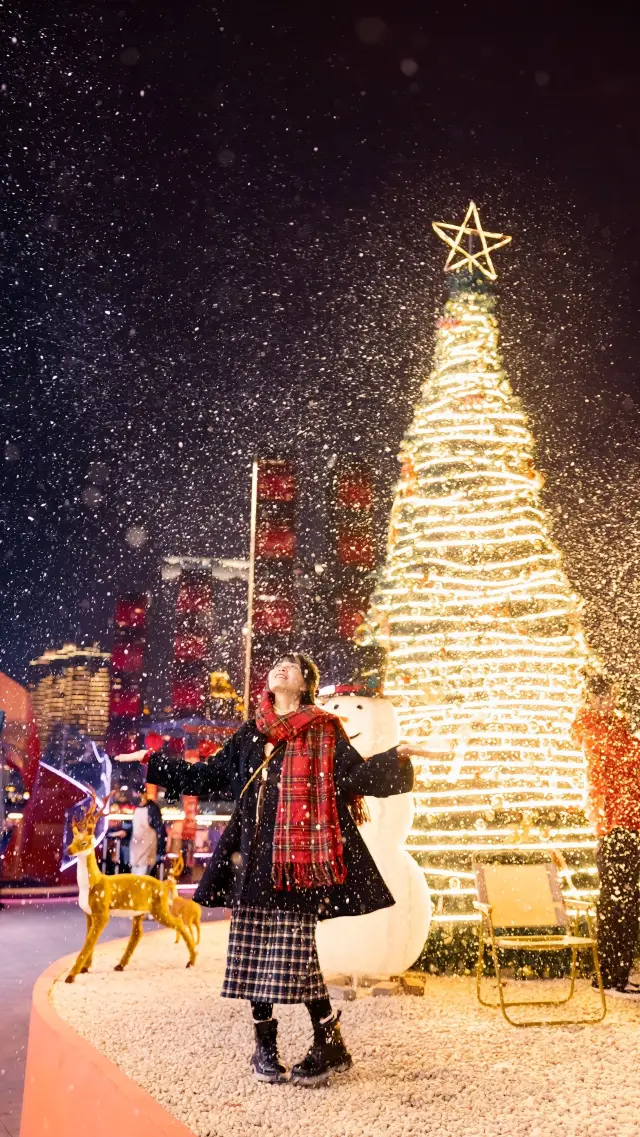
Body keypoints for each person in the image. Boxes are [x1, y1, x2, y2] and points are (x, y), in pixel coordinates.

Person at [147, 651, 421, 1087]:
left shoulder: (324, 730)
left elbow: (352, 777)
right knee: (253, 953)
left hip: (299, 862)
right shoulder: (251, 733)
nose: (280, 668)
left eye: (290, 665)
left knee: (297, 954)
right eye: (276, 664)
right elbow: (211, 775)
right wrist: (156, 763)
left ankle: (327, 1040)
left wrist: (396, 759)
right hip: (252, 859)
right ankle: (268, 1047)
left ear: (305, 683)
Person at [572, 672, 640, 997]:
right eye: (607, 696)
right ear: (597, 698)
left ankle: (608, 975)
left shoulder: (599, 728)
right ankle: (615, 976)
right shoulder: (606, 730)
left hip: (613, 826)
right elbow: (630, 764)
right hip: (622, 824)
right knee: (623, 904)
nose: (612, 702)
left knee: (614, 902)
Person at [129, 789, 160, 875]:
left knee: (144, 882)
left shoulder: (152, 809)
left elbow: (159, 828)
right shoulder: (135, 808)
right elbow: (133, 829)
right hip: (135, 855)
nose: (136, 798)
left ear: (144, 794)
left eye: (138, 795)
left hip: (147, 853)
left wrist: (161, 849)